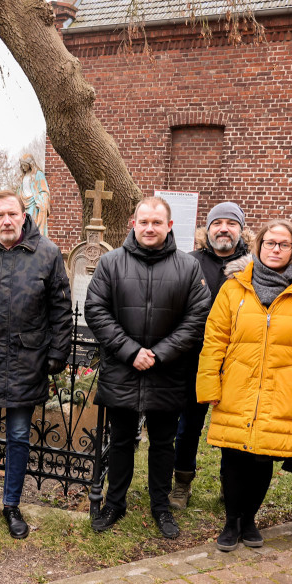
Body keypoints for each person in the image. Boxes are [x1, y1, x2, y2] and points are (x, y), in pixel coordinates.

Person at [197, 219, 292, 552]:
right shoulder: (234, 289)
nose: (275, 249)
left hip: (284, 392)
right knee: (233, 457)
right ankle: (231, 521)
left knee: (263, 459)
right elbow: (214, 340)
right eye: (269, 243)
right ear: (258, 246)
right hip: (237, 386)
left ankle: (249, 519)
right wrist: (209, 387)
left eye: (283, 244)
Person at [85, 197, 210, 538]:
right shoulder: (111, 263)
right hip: (123, 369)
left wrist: (159, 353)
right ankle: (115, 503)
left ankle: (161, 506)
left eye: (157, 222)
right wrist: (130, 351)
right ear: (133, 224)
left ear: (169, 226)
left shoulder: (188, 267)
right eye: (144, 222)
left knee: (163, 444)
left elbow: (197, 317)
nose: (150, 228)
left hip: (167, 372)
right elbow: (95, 310)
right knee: (121, 440)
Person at [0, 189, 72, 539]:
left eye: (12, 214)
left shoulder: (48, 254)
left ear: (24, 216)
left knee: (20, 436)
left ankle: (11, 504)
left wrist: (56, 354)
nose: (6, 221)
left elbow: (61, 310)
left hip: (27, 361)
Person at [169, 202, 251, 509]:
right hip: (194, 359)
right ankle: (181, 484)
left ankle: (231, 486)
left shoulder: (253, 266)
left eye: (231, 223)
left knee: (232, 427)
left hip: (238, 361)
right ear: (208, 228)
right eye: (218, 223)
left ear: (241, 230)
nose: (224, 229)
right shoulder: (189, 262)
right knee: (187, 426)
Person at [16, 154, 52, 236]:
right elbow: (20, 190)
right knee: (22, 225)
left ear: (30, 164)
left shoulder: (38, 174)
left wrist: (41, 201)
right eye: (22, 165)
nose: (24, 167)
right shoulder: (23, 176)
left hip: (34, 203)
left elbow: (44, 191)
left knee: (31, 225)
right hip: (23, 204)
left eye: (25, 165)